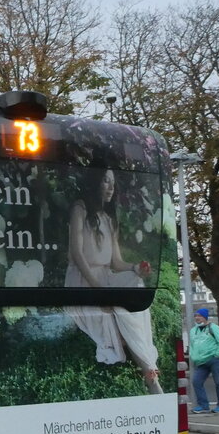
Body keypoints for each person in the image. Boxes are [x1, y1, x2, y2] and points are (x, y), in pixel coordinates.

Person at [66, 168, 164, 394]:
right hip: (83, 280)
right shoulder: (80, 209)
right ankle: (150, 374)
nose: (111, 187)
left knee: (134, 287)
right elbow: (78, 255)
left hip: (104, 279)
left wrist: (135, 268)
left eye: (112, 182)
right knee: (120, 309)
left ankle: (149, 370)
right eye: (105, 181)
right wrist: (99, 292)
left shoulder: (108, 219)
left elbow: (117, 262)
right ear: (95, 182)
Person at [189, 308, 219, 413]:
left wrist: (218, 354)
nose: (197, 318)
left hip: (214, 360)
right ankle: (203, 406)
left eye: (199, 316)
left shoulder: (214, 328)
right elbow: (192, 345)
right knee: (196, 382)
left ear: (205, 317)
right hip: (201, 362)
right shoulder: (193, 330)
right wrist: (193, 356)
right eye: (195, 316)